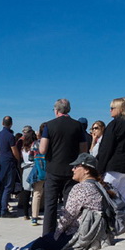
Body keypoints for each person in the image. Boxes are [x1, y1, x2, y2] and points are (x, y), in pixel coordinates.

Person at [5, 152, 113, 250]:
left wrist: (55, 234)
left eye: (76, 166)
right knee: (50, 240)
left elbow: (67, 216)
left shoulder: (80, 188)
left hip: (81, 236)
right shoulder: (101, 187)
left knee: (49, 238)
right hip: (98, 234)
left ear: (86, 170)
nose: (73, 169)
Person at [39, 99, 88, 235]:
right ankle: (68, 233)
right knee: (70, 205)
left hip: (53, 169)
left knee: (50, 205)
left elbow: (42, 150)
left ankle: (48, 235)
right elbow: (83, 151)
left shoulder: (49, 125)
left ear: (56, 110)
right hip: (71, 170)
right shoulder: (78, 126)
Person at [96, 97, 125, 227]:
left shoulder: (114, 124)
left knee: (107, 199)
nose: (110, 110)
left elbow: (106, 149)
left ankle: (108, 226)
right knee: (124, 201)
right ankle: (123, 225)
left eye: (112, 108)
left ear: (120, 109)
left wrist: (99, 170)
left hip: (113, 168)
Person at [0, 116, 21, 217]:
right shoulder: (10, 136)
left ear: (2, 123)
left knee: (2, 185)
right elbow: (14, 151)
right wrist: (18, 159)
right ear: (11, 124)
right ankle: (4, 210)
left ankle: (0, 206)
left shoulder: (0, 135)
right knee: (8, 186)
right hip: (9, 162)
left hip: (1, 161)